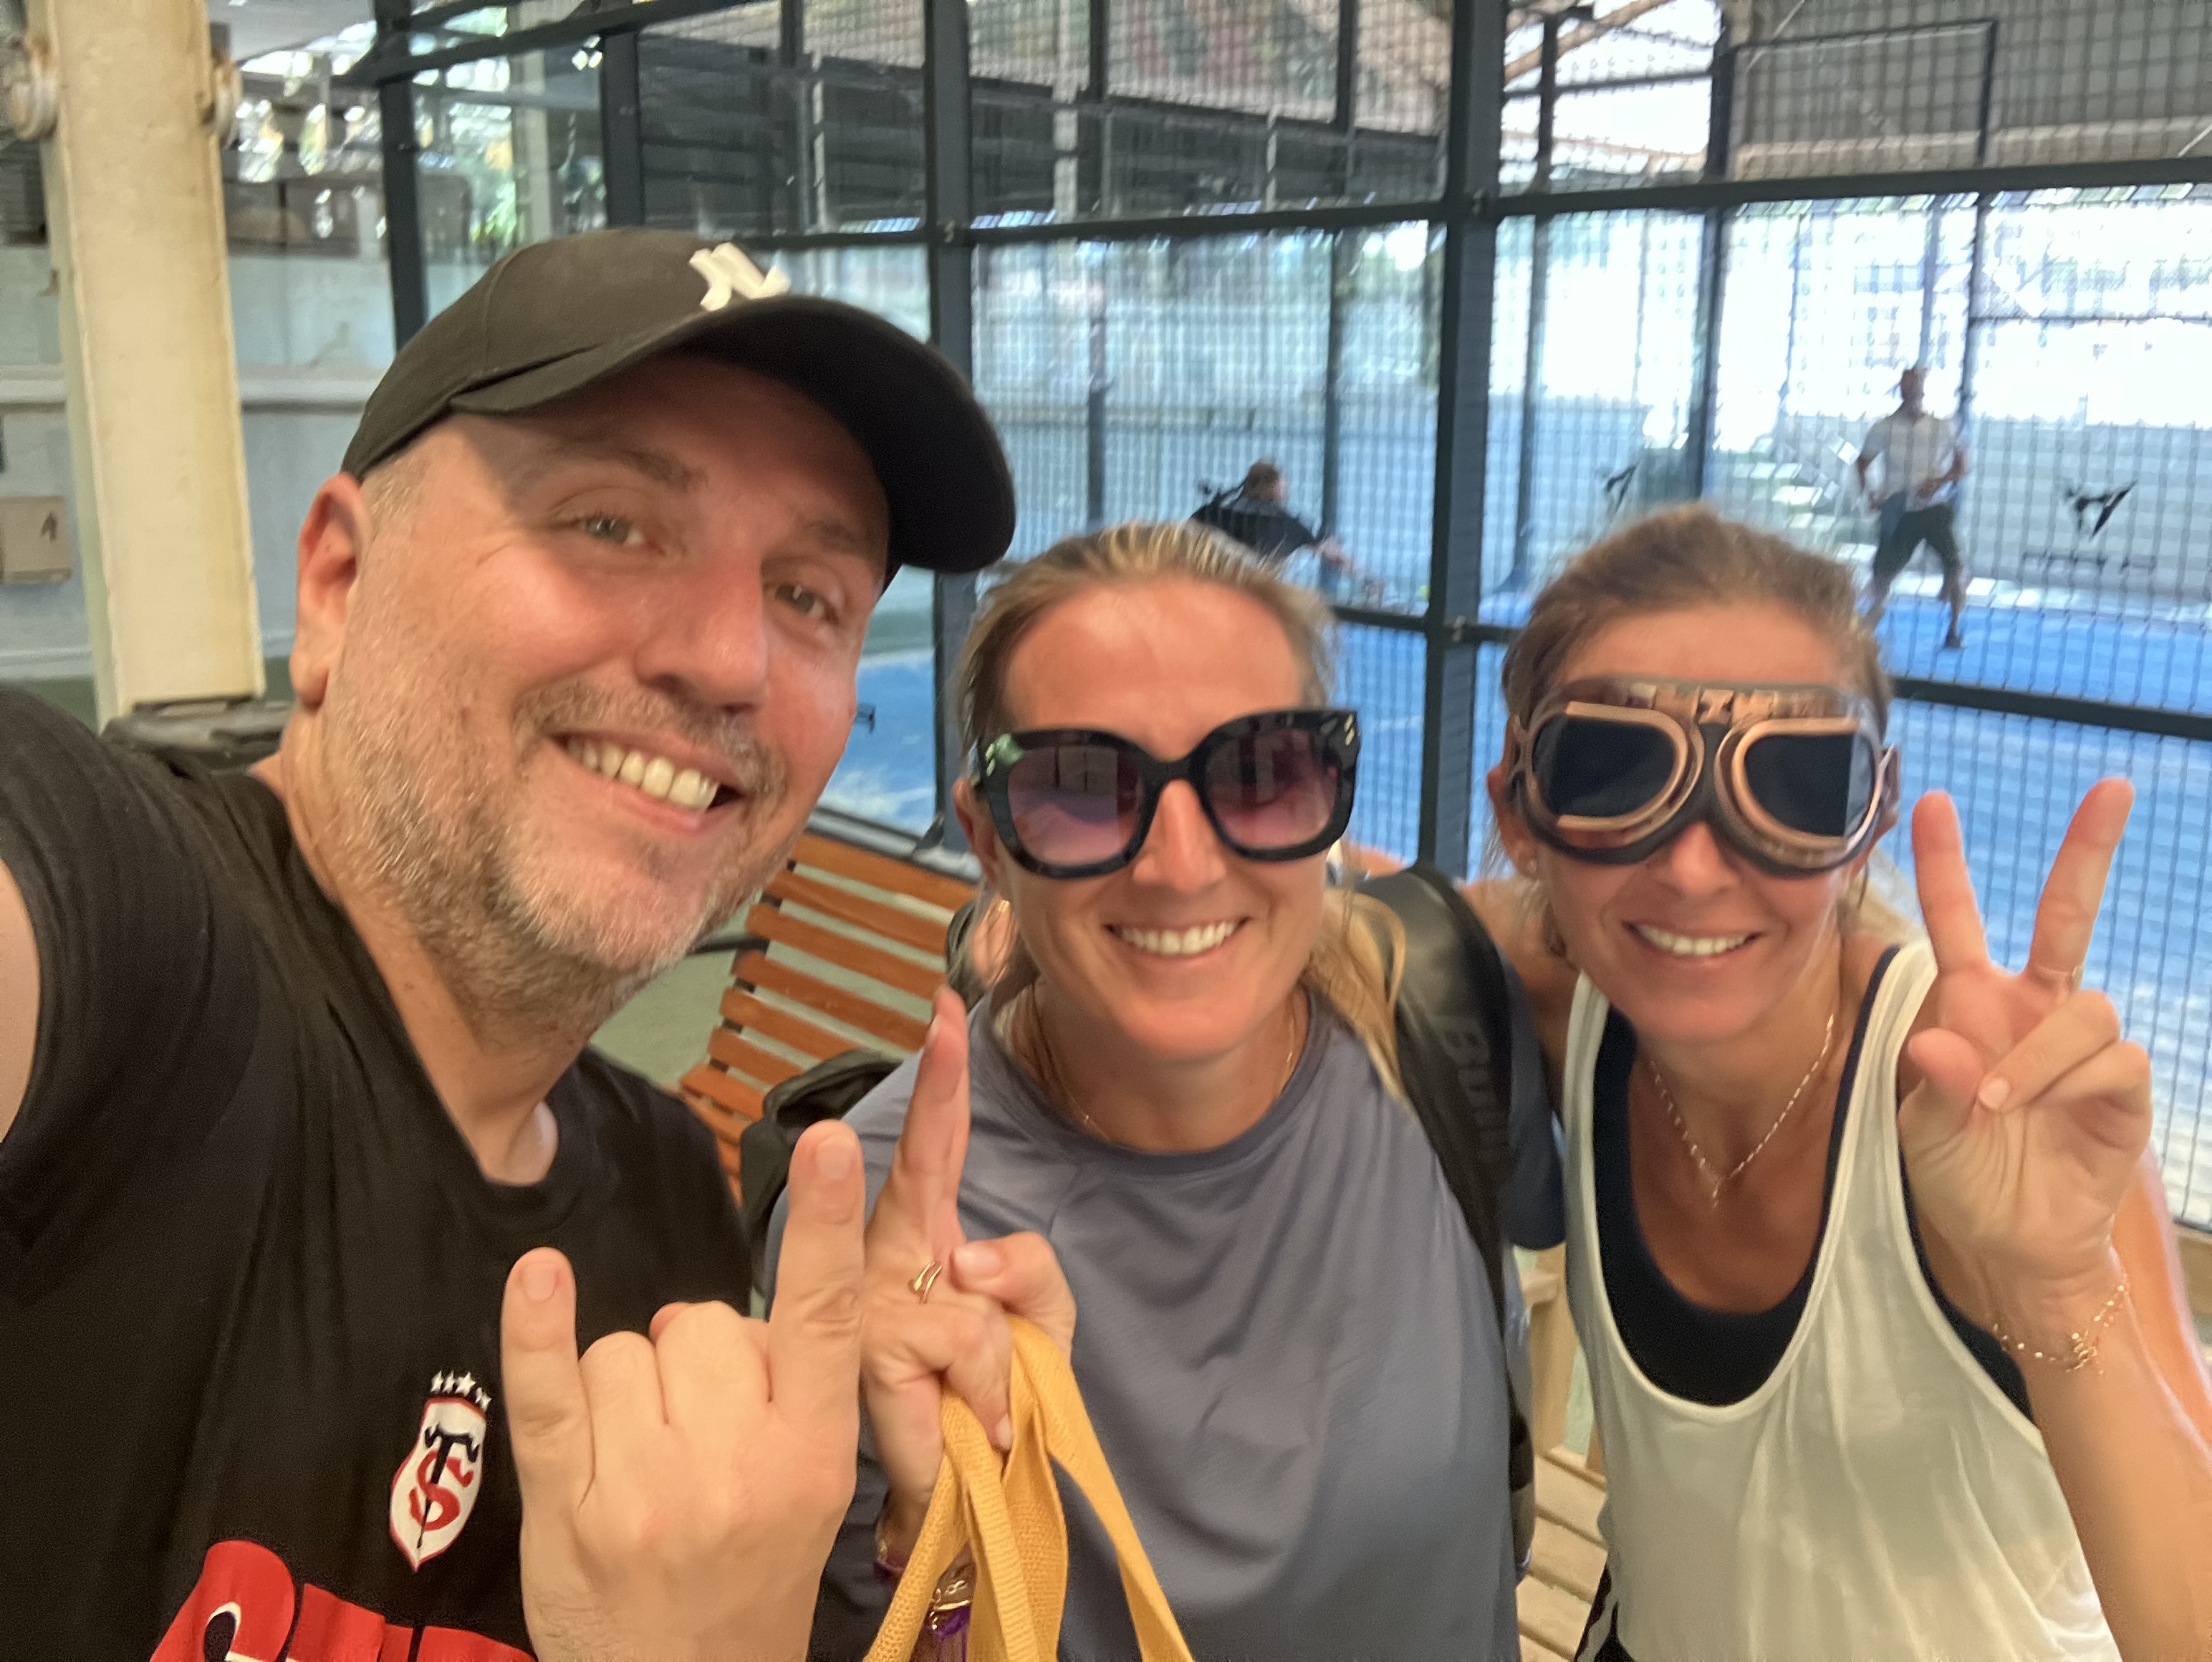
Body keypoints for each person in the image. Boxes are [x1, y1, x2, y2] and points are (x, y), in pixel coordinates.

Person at [0, 227, 1016, 1658]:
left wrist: (915, 1529)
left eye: (808, 596)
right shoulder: (124, 937)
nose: (729, 658)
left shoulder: (667, 1212)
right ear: (337, 583)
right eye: (609, 523)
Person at [770, 521, 1561, 1660]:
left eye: (1263, 773)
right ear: (989, 840)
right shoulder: (881, 1218)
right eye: (1081, 787)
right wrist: (929, 1534)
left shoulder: (1435, 1025)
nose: (1182, 867)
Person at [1466, 506, 2212, 1661]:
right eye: (1612, 772)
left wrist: (2060, 1285)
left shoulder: (1978, 1098)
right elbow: (1307, 909)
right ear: (1520, 813)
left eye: (1795, 784)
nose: (1695, 866)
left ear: (1870, 819)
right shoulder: (1568, 988)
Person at [1854, 366, 1971, 647]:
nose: (1910, 392)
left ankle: (1953, 630)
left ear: (1922, 390)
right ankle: (1863, 632)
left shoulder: (1943, 426)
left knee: (1955, 567)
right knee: (1882, 578)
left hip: (1934, 508)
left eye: (1914, 387)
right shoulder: (1884, 428)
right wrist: (1870, 494)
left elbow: (1961, 466)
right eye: (1905, 387)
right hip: (1898, 508)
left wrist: (1939, 482)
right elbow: (1862, 463)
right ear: (1901, 391)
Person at [1192, 460, 1359, 599]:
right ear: (1278, 492)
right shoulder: (1289, 524)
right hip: (1260, 596)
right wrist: (1358, 572)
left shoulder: (1212, 512)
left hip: (1210, 589)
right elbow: (1333, 554)